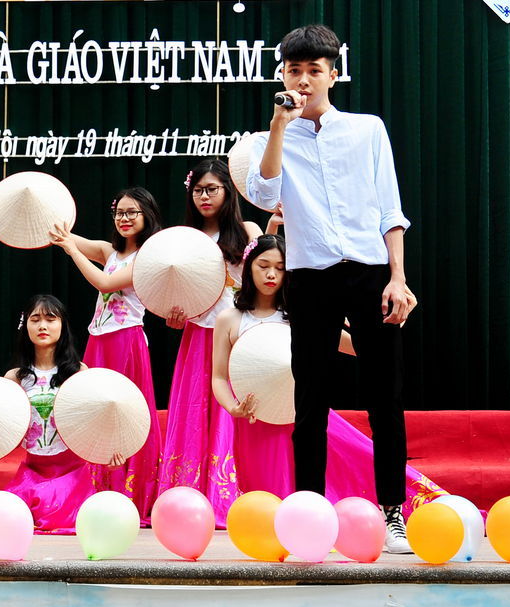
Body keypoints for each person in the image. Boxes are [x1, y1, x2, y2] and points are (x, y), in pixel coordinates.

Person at [246, 23, 417, 553]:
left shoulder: (367, 130)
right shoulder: (270, 139)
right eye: (293, 70)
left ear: (333, 75)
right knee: (311, 398)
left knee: (385, 396)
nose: (303, 80)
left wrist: (398, 278)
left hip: (369, 272)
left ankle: (393, 512)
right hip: (310, 277)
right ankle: (309, 515)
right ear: (282, 75)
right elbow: (262, 194)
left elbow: (390, 208)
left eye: (313, 71)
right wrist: (279, 125)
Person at [212, 234, 444, 522]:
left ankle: (329, 521)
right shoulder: (229, 319)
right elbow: (218, 376)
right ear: (248, 268)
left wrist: (388, 322)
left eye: (281, 267)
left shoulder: (302, 317)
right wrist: (232, 407)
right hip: (253, 419)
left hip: (295, 415)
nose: (271, 274)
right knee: (260, 500)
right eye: (263, 265)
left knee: (300, 481)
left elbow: (361, 347)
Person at [158, 158, 262, 525]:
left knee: (236, 409)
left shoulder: (247, 230)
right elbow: (174, 292)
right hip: (199, 334)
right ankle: (190, 496)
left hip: (241, 335)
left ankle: (236, 491)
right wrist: (174, 315)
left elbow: (265, 276)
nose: (204, 196)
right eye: (198, 190)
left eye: (212, 189)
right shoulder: (184, 239)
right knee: (195, 408)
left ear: (228, 192)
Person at [48, 187, 162, 521]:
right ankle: (95, 488)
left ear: (147, 215)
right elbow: (60, 234)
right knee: (93, 409)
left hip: (126, 340)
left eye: (132, 212)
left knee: (123, 410)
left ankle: (129, 490)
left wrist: (71, 250)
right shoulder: (108, 251)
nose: (124, 218)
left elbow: (104, 283)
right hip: (99, 338)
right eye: (119, 212)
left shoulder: (146, 258)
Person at [0, 294, 116, 533]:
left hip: (71, 473)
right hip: (31, 472)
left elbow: (92, 421)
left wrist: (108, 452)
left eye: (50, 319)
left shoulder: (78, 372)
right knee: (6, 516)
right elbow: (0, 427)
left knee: (57, 516)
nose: (42, 326)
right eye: (35, 319)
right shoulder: (15, 378)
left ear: (63, 325)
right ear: (25, 326)